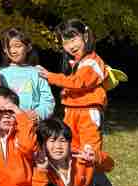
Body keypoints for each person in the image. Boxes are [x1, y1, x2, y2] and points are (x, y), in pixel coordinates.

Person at [38, 19, 109, 154]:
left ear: (85, 36)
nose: (70, 46)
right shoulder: (76, 63)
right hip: (71, 111)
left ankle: (97, 167)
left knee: (89, 152)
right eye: (65, 43)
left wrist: (50, 76)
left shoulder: (92, 62)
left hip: (87, 112)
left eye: (73, 40)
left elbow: (78, 82)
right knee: (70, 149)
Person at [0, 28, 54, 122]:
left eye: (17, 46)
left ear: (28, 47)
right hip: (6, 124)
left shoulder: (37, 73)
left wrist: (38, 114)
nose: (13, 51)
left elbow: (48, 101)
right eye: (9, 47)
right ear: (4, 50)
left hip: (31, 124)